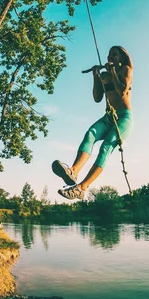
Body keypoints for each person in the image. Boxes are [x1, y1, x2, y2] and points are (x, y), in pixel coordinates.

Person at [52, 46, 134, 200]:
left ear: (122, 57)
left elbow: (122, 91)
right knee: (90, 134)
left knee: (106, 147)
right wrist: (96, 76)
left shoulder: (126, 70)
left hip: (124, 118)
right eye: (109, 55)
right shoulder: (105, 75)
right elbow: (97, 98)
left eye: (114, 55)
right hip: (108, 117)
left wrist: (113, 72)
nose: (110, 57)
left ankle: (81, 188)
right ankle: (73, 172)